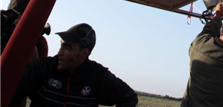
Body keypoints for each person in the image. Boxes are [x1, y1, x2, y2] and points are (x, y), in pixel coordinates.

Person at [10, 23, 138, 107]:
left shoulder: (97, 76)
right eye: (61, 45)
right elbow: (13, 89)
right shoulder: (46, 68)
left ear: (84, 54)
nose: (60, 53)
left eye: (68, 48)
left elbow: (129, 98)